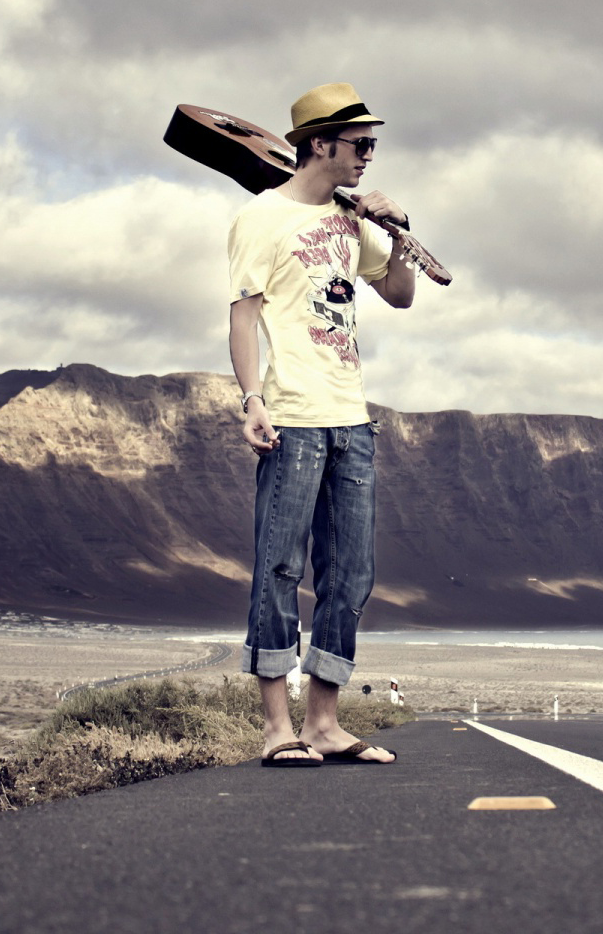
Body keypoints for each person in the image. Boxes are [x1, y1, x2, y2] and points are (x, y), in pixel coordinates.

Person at [228, 82, 415, 767]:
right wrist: (251, 400)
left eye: (373, 145)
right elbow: (243, 314)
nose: (368, 155)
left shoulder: (350, 221)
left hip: (352, 419)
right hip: (294, 417)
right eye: (359, 144)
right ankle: (278, 729)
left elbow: (398, 294)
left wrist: (394, 234)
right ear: (318, 144)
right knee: (279, 566)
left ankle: (325, 724)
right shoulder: (262, 217)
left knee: (350, 574)